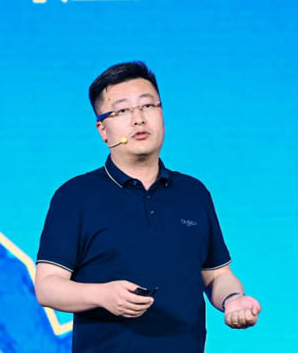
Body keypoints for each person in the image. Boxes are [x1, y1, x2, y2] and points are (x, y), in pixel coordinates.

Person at [35, 61, 260, 352]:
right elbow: (47, 287)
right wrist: (102, 295)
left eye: (148, 106)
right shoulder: (75, 196)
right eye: (122, 111)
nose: (138, 119)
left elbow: (217, 276)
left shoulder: (193, 193)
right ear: (103, 130)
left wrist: (233, 299)